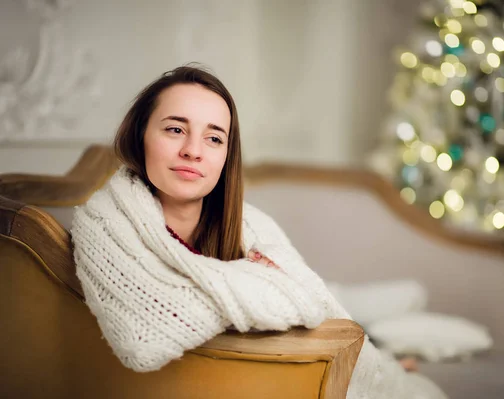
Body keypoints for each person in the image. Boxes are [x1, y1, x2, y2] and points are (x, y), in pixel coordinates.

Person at [71, 64, 447, 399]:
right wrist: (263, 283)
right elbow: (143, 339)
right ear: (140, 137)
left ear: (226, 156)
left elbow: (314, 304)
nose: (193, 150)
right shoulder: (102, 220)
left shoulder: (252, 223)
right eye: (174, 129)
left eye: (214, 138)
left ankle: (381, 321)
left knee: (355, 314)